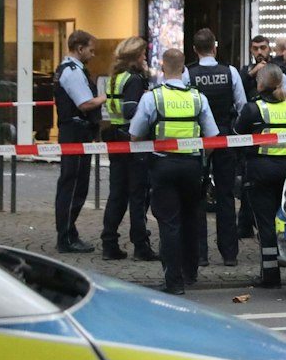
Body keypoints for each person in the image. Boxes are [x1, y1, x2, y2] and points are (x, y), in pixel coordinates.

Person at [130, 48, 220, 295]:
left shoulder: (153, 98)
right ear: (184, 69)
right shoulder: (198, 98)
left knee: (169, 223)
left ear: (162, 68)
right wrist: (201, 161)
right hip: (191, 167)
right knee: (192, 219)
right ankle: (191, 272)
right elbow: (212, 137)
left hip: (163, 166)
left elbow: (135, 134)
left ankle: (174, 281)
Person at [234, 64, 286, 289]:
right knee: (282, 219)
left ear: (260, 83)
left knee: (265, 224)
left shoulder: (254, 109)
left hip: (259, 171)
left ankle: (270, 274)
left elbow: (237, 136)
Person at [188, 28, 247, 267]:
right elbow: (242, 106)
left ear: (194, 49)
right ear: (215, 47)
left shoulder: (187, 74)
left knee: (197, 197)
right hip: (225, 137)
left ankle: (200, 254)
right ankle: (230, 254)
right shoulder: (230, 72)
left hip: (197, 140)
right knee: (225, 195)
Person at [99, 37, 158, 262]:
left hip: (115, 138)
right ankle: (141, 245)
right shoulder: (133, 79)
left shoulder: (114, 78)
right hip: (132, 141)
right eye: (143, 54)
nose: (145, 58)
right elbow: (133, 112)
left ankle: (109, 242)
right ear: (135, 57)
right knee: (138, 195)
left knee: (117, 194)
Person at [53, 30, 106, 253]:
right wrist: (105, 97)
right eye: (90, 50)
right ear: (80, 48)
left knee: (73, 184)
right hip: (75, 131)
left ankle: (69, 233)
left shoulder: (68, 69)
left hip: (74, 131)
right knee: (73, 185)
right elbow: (84, 104)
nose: (92, 55)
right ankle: (65, 238)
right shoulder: (73, 72)